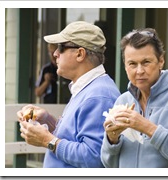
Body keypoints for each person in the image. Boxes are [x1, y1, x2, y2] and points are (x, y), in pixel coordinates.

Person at [100, 28, 168, 168]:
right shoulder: (123, 101)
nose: (139, 71)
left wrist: (148, 128)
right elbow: (109, 164)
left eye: (146, 62)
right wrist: (112, 140)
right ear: (125, 66)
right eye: (132, 64)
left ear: (161, 61)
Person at [17, 21, 120, 168]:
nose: (55, 53)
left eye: (61, 47)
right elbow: (74, 138)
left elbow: (93, 157)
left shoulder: (99, 96)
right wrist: (48, 121)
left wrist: (47, 141)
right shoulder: (88, 88)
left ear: (80, 54)